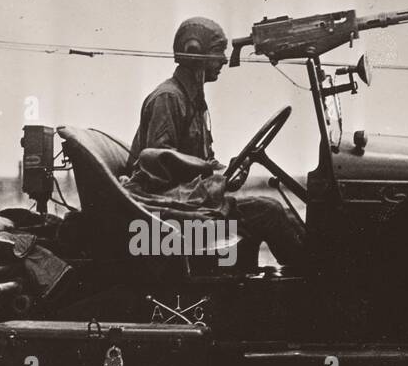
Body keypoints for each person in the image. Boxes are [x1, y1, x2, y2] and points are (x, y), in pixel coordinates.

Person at [126, 16, 306, 268]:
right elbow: (158, 164)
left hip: (189, 204)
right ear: (194, 52)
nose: (223, 59)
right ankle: (315, 286)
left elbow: (193, 165)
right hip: (168, 211)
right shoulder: (169, 97)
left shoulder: (193, 101)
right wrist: (211, 170)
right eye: (217, 52)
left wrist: (225, 173)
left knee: (283, 213)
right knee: (270, 211)